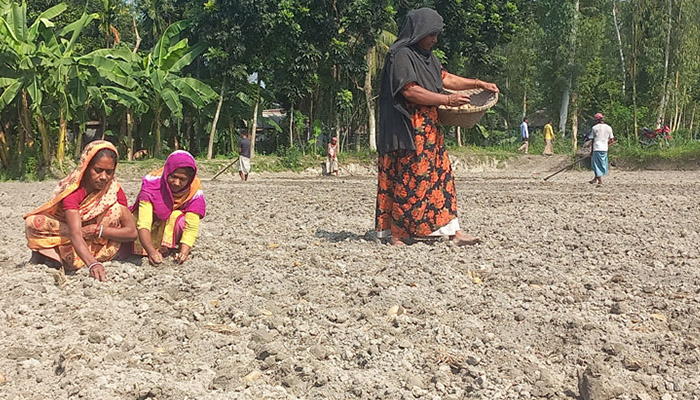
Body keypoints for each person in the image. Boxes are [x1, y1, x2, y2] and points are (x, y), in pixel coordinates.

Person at [375, 7, 499, 246]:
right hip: (408, 129)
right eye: (431, 34)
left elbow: (445, 79)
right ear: (418, 31)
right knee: (412, 178)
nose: (435, 39)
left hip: (430, 130)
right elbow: (410, 90)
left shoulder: (429, 58)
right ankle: (399, 234)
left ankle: (452, 230)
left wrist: (477, 83)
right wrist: (447, 100)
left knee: (442, 177)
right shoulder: (400, 55)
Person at [24, 140, 137, 281]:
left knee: (115, 209)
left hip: (99, 243)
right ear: (86, 167)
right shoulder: (73, 190)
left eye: (109, 172)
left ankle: (55, 257)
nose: (103, 177)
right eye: (98, 170)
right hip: (71, 235)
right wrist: (93, 264)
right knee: (34, 222)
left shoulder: (113, 190)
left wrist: (97, 230)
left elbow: (132, 232)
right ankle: (61, 257)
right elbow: (75, 234)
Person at [129, 151, 206, 265]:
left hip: (169, 225)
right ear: (167, 172)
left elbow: (191, 224)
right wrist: (151, 251)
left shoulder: (194, 190)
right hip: (148, 226)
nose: (176, 183)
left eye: (182, 179)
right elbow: (144, 223)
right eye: (173, 177)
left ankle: (166, 246)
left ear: (189, 179)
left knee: (178, 217)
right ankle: (149, 248)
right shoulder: (152, 184)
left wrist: (184, 252)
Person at [589, 113, 614, 185]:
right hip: (604, 148)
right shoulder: (609, 127)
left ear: (597, 120)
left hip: (597, 148)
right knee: (602, 163)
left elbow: (592, 140)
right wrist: (607, 143)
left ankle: (600, 180)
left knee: (596, 164)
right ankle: (595, 179)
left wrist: (591, 151)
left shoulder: (595, 128)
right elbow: (612, 140)